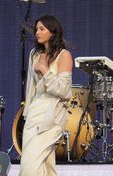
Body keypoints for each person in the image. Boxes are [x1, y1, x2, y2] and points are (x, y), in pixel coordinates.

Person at [18, 15, 73, 176]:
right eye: (36, 29)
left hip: (51, 116)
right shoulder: (34, 55)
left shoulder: (64, 55)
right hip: (34, 113)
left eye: (42, 29)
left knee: (30, 168)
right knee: (45, 167)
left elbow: (63, 91)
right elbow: (32, 89)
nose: (37, 32)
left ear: (53, 32)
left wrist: (44, 70)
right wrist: (26, 114)